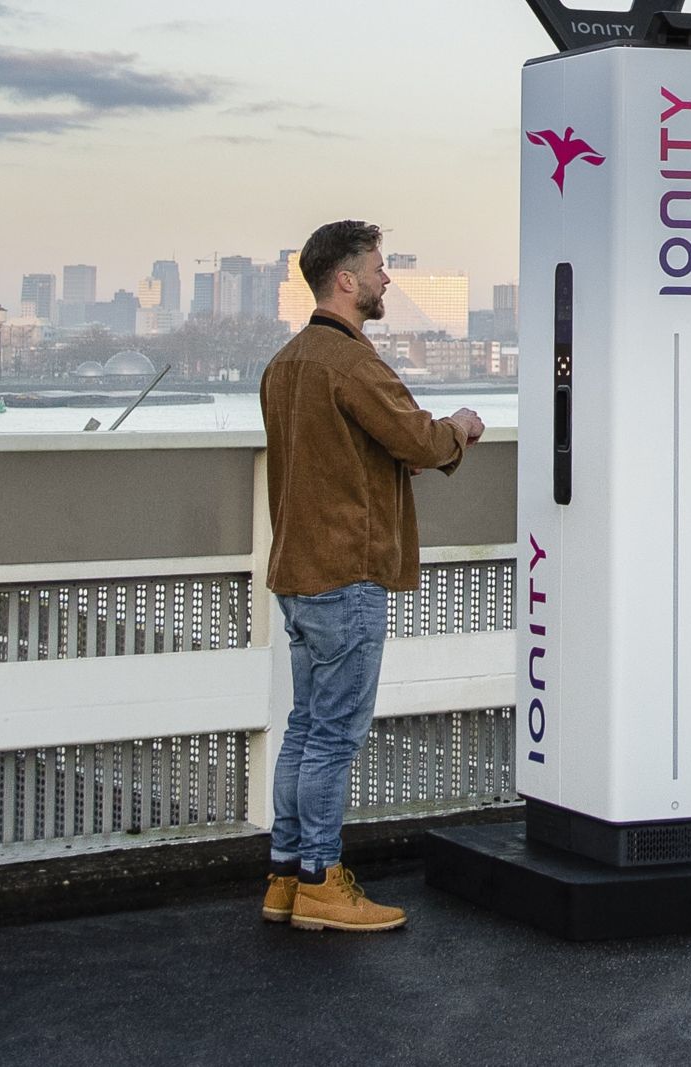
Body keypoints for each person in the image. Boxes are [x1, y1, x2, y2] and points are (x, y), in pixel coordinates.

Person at [254, 220, 484, 932]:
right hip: (346, 572)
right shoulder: (350, 362)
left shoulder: (286, 364)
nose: (388, 280)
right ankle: (324, 879)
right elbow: (415, 434)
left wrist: (398, 457)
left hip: (297, 570)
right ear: (345, 280)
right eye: (379, 269)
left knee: (303, 726)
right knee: (334, 735)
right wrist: (462, 428)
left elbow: (341, 453)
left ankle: (286, 874)